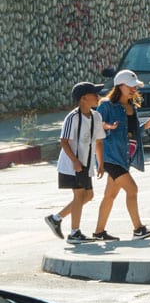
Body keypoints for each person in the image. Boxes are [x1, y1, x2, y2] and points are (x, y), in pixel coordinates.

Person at [91, 69, 150, 241]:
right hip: (110, 157)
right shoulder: (106, 105)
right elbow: (96, 125)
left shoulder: (131, 106)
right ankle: (138, 229)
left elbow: (130, 132)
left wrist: (146, 125)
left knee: (110, 195)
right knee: (132, 189)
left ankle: (99, 233)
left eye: (135, 87)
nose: (134, 90)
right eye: (131, 87)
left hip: (124, 157)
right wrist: (107, 126)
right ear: (119, 86)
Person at [44, 81, 102, 243]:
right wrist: (75, 161)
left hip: (85, 163)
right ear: (84, 98)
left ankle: (56, 218)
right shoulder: (73, 117)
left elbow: (98, 141)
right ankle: (75, 233)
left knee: (88, 195)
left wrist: (99, 163)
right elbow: (64, 141)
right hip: (72, 164)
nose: (97, 97)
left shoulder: (95, 116)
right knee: (79, 194)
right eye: (94, 94)